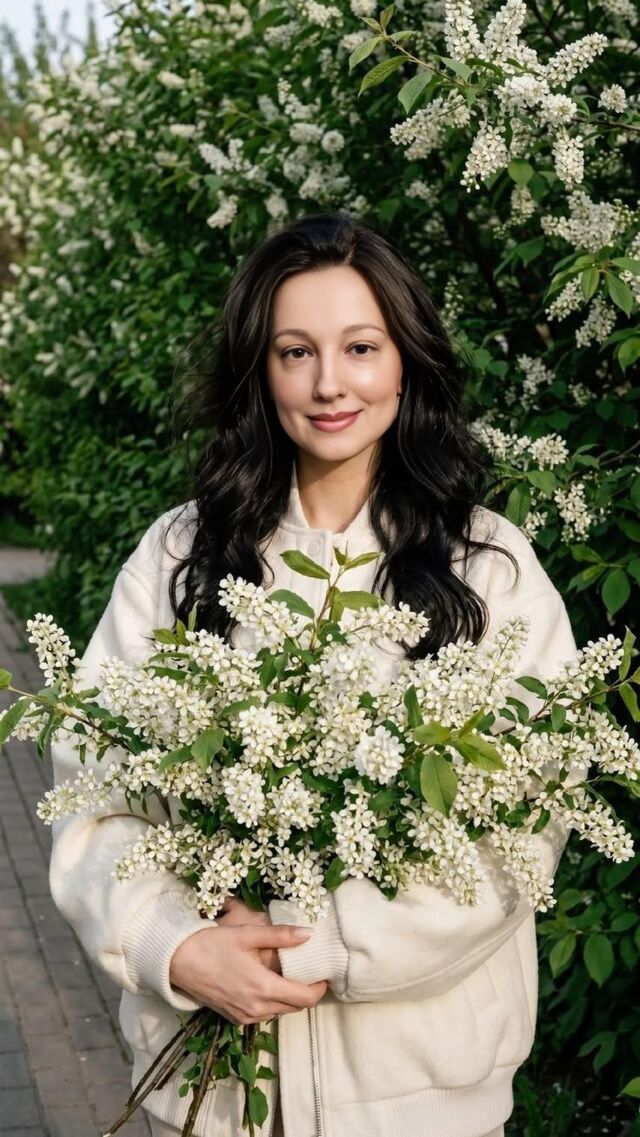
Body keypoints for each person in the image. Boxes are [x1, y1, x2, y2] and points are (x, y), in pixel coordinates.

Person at [48, 211, 580, 1137]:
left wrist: (323, 943)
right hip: (215, 1099)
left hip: (421, 1100)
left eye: (361, 347)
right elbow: (95, 789)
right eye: (295, 352)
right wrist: (175, 945)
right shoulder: (183, 555)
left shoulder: (487, 567)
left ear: (406, 359)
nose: (330, 382)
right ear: (260, 371)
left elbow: (524, 824)